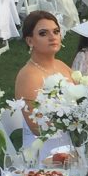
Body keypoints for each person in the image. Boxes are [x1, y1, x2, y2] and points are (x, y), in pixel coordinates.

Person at [14, 11, 73, 146]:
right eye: (43, 33)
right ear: (30, 41)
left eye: (56, 31)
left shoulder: (61, 65)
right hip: (47, 146)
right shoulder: (28, 76)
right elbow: (36, 127)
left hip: (75, 137)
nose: (52, 37)